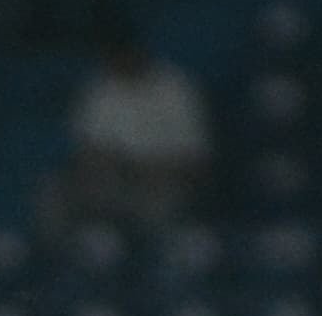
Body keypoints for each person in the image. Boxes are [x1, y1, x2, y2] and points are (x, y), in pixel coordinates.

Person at [52, 32, 211, 232]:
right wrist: (106, 165)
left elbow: (195, 158)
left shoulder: (176, 88)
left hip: (162, 179)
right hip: (112, 178)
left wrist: (145, 169)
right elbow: (85, 148)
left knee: (157, 206)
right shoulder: (100, 88)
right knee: (54, 194)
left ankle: (154, 259)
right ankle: (62, 257)